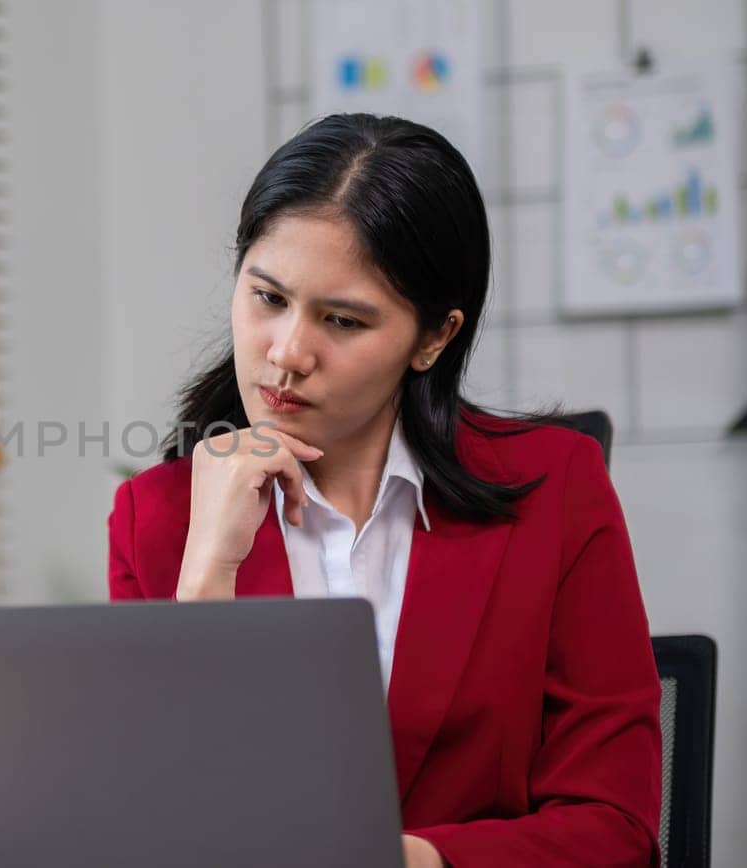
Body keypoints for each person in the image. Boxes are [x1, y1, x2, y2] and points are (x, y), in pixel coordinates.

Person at [106, 113, 661, 868]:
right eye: (267, 298)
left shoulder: (557, 490)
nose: (288, 353)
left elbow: (614, 827)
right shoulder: (159, 518)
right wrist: (207, 576)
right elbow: (149, 826)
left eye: (341, 320)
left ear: (434, 337)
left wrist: (399, 860)